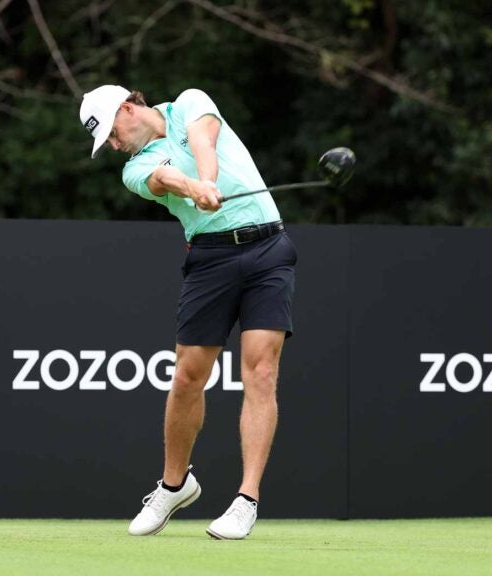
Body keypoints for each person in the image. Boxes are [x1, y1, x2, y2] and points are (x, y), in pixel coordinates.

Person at [79, 85, 297, 540]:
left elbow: (204, 142)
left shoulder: (189, 103)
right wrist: (194, 187)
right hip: (211, 261)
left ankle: (247, 499)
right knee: (186, 378)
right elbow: (163, 180)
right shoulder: (133, 169)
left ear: (127, 108)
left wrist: (207, 180)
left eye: (112, 134)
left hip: (268, 250)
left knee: (261, 371)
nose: (114, 146)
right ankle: (175, 485)